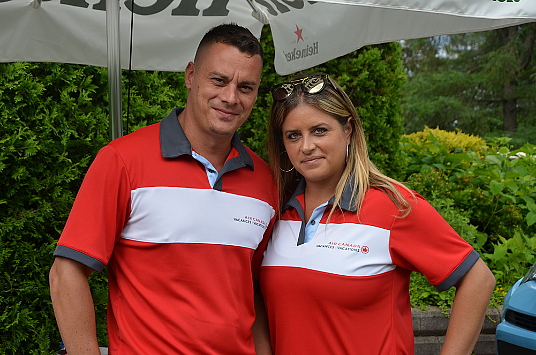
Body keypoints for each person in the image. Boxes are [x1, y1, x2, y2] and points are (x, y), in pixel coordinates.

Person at [49, 23, 276, 355]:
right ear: (190, 75)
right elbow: (66, 273)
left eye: (246, 87)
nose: (230, 97)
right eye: (218, 80)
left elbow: (252, 290)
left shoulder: (264, 182)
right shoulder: (122, 161)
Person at [260, 73, 496, 355]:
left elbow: (478, 279)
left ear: (348, 130)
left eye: (320, 130)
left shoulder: (393, 207)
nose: (306, 146)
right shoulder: (277, 210)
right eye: (293, 135)